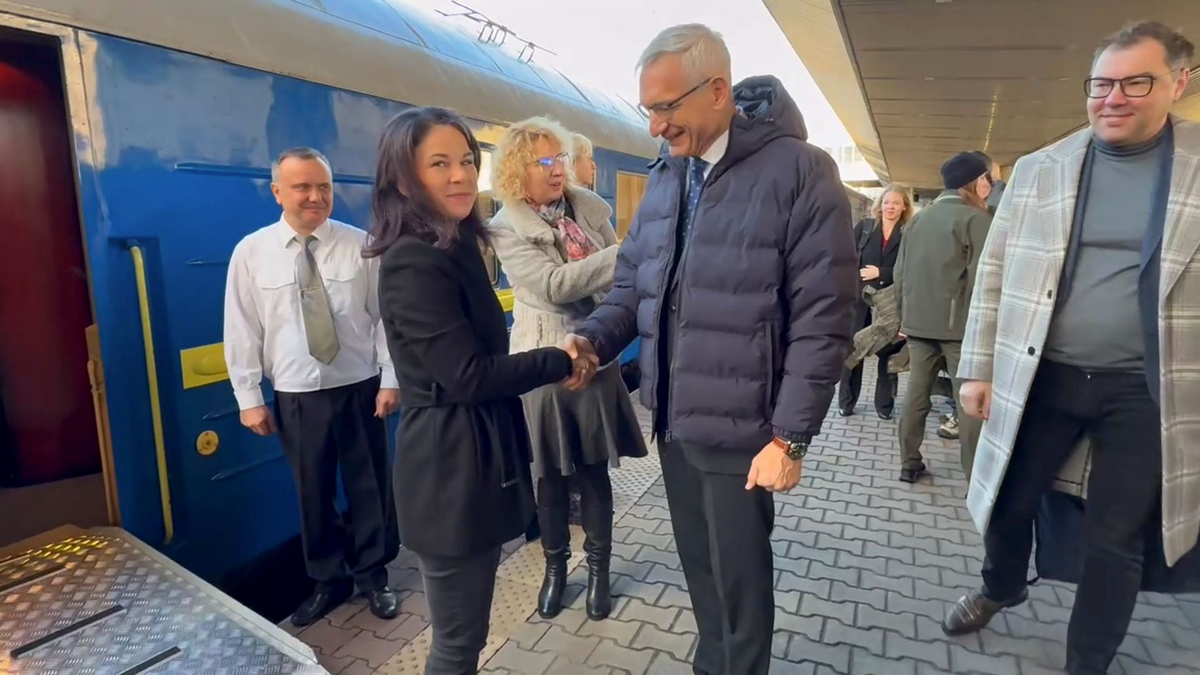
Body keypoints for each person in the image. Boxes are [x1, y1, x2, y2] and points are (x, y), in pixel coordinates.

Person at [564, 24, 858, 673]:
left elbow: (824, 315)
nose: (654, 126)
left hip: (746, 430)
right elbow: (633, 284)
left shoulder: (801, 172)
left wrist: (791, 438)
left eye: (666, 107)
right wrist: (592, 341)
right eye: (649, 109)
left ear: (718, 90)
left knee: (740, 590)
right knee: (703, 577)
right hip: (675, 419)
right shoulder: (669, 175)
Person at [944, 21, 1200, 675]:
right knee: (1007, 497)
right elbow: (993, 274)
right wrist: (976, 366)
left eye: (1135, 82)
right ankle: (1002, 583)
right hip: (1044, 375)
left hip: (1147, 388)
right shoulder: (1040, 169)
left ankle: (1086, 661)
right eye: (1102, 83)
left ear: (1180, 82)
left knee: (1116, 539)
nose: (1114, 97)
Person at [365, 107, 592, 674]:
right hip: (448, 469)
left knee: (468, 634)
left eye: (467, 160)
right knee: (458, 643)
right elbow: (466, 375)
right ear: (403, 177)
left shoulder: (453, 243)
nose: (461, 175)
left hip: (470, 458)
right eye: (439, 164)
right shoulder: (413, 260)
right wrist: (555, 358)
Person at [224, 147, 401, 626]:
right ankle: (328, 581)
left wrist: (390, 378)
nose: (315, 196)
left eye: (323, 186)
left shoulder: (360, 245)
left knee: (370, 487)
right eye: (302, 187)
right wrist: (249, 398)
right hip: (296, 395)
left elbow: (384, 319)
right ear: (277, 191)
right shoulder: (252, 253)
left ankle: (373, 577)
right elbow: (241, 328)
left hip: (361, 388)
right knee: (311, 492)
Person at [486, 117, 649, 621]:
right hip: (541, 360)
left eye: (561, 159)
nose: (558, 169)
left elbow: (622, 286)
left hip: (594, 350)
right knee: (549, 476)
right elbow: (553, 285)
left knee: (593, 470)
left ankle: (599, 569)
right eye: (545, 161)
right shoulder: (503, 227)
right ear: (517, 169)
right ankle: (556, 569)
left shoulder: (589, 210)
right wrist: (627, 252)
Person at [892, 152, 992, 483]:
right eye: (987, 178)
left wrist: (903, 317)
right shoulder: (978, 220)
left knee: (915, 397)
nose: (989, 184)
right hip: (960, 331)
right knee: (970, 404)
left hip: (918, 325)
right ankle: (974, 478)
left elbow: (900, 271)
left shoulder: (920, 218)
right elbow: (985, 281)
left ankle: (909, 463)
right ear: (975, 182)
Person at [838, 183, 912, 419]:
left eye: (896, 203)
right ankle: (846, 402)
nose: (891, 207)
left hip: (890, 303)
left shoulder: (908, 232)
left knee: (887, 354)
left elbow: (911, 269)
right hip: (860, 301)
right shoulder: (865, 228)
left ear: (904, 207)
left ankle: (884, 405)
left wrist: (881, 272)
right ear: (880, 205)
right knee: (854, 350)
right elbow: (846, 257)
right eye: (887, 202)